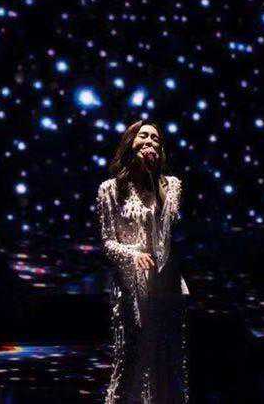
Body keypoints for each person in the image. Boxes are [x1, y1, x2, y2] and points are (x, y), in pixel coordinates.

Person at [96, 120, 189, 403]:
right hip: (131, 284)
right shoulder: (109, 190)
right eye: (144, 136)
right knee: (132, 358)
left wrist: (156, 180)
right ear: (130, 142)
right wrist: (133, 255)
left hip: (165, 282)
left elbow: (168, 232)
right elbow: (107, 242)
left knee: (168, 360)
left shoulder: (171, 186)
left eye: (156, 139)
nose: (150, 142)